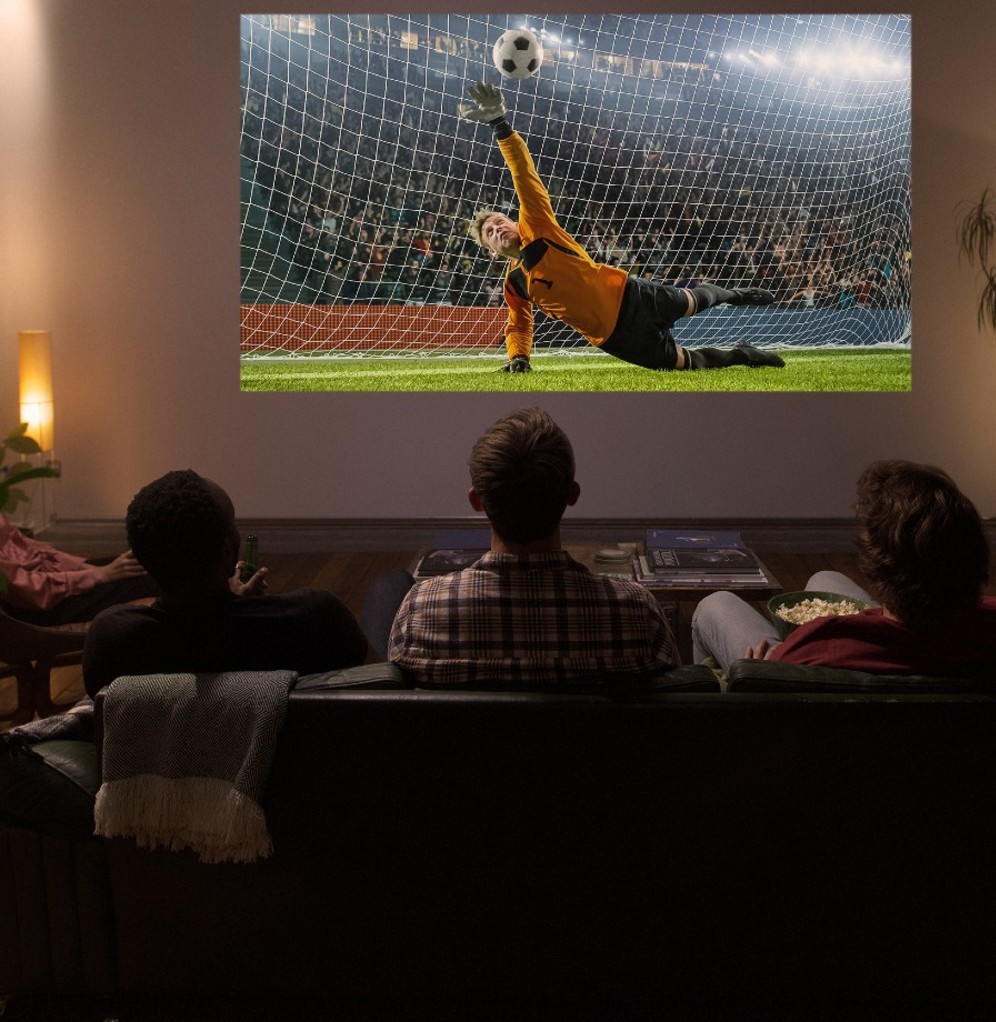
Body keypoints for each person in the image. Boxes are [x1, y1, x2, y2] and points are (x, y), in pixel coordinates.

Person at [459, 82, 787, 374]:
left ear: (514, 221)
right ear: (491, 252)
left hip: (630, 295)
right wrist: (520, 357)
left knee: (692, 301)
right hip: (613, 337)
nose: (498, 228)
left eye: (500, 221)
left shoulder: (538, 225)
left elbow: (523, 172)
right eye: (490, 232)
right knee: (683, 364)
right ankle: (744, 356)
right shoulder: (515, 284)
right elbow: (518, 324)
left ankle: (737, 294)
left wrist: (500, 125)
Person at [691, 460, 996, 685]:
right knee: (823, 580)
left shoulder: (823, 642)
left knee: (715, 604)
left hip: (799, 683)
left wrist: (756, 676)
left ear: (878, 565)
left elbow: (775, 696)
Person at [388, 407, 679, 684]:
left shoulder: (420, 611)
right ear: (572, 494)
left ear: (476, 501)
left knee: (386, 587)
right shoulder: (638, 613)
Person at [82, 470, 367, 697]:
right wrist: (234, 606)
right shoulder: (316, 619)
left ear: (143, 557)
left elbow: (200, 632)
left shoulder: (112, 641)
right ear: (228, 551)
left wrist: (228, 603)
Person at [0, 515, 158, 627]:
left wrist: (90, 569)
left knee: (146, 562)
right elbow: (26, 588)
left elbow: (29, 546)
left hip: (51, 578)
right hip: (40, 605)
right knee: (154, 576)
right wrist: (96, 576)